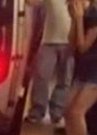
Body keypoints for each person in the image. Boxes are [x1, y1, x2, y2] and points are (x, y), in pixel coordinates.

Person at [51, 0, 97, 135]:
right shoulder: (85, 13)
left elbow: (83, 47)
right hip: (85, 68)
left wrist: (78, 19)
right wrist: (74, 19)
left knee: (77, 112)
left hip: (95, 71)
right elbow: (72, 46)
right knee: (68, 110)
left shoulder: (95, 13)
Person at [25, 0, 75, 128]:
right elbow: (31, 2)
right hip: (48, 41)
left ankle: (57, 112)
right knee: (41, 75)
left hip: (71, 41)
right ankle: (37, 111)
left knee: (65, 80)